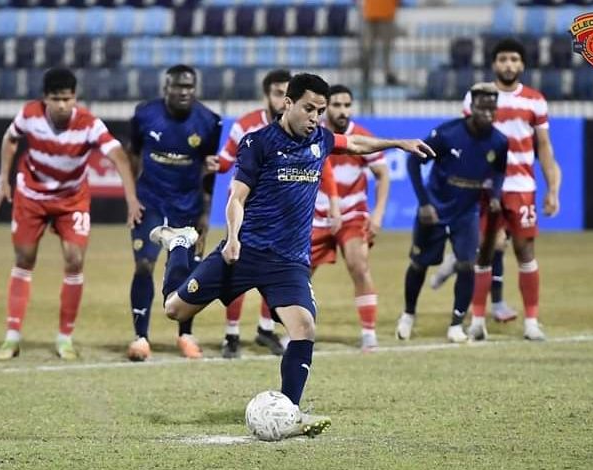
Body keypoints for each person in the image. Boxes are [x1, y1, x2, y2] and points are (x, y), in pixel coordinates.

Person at [162, 73, 433, 438]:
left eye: (320, 110)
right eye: (309, 109)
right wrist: (233, 238)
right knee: (174, 310)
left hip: (288, 261)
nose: (315, 118)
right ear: (287, 103)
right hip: (245, 251)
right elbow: (237, 197)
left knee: (303, 326)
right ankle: (179, 243)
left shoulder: (319, 138)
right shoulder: (258, 142)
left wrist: (398, 143)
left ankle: (289, 412)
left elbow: (355, 143)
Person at [0, 67, 142, 360]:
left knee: (74, 260)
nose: (62, 105)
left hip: (71, 200)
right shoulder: (30, 114)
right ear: (45, 98)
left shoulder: (89, 124)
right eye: (56, 99)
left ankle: (65, 338)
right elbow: (10, 139)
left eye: (68, 99)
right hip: (31, 195)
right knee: (24, 259)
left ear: (75, 98)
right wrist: (3, 180)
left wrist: (131, 198)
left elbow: (118, 157)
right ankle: (12, 337)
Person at [214, 69, 341, 359]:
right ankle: (232, 334)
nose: (281, 98)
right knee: (237, 268)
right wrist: (211, 164)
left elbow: (323, 165)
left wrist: (334, 200)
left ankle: (266, 328)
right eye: (276, 93)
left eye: (285, 92)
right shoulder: (247, 126)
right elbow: (225, 160)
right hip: (248, 210)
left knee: (277, 271)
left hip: (283, 216)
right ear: (270, 96)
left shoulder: (304, 129)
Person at [395, 83, 508, 343]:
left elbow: (499, 171)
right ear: (471, 107)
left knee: (467, 264)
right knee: (419, 264)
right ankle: (408, 315)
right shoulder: (448, 134)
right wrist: (424, 203)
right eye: (482, 107)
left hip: (466, 213)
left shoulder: (500, 141)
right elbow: (414, 161)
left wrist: (494, 196)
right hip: (435, 210)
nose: (487, 113)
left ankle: (456, 324)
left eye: (492, 108)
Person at [466, 38, 561, 342]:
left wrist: (552, 189)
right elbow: (468, 142)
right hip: (487, 188)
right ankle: (477, 321)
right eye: (503, 59)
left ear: (522, 64)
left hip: (521, 187)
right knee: (483, 252)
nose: (509, 65)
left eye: (514, 59)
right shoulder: (476, 97)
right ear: (494, 64)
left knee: (525, 251)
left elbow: (544, 146)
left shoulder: (535, 100)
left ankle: (531, 322)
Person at [125, 65, 222, 361]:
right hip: (150, 203)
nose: (183, 92)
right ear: (166, 88)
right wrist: (132, 197)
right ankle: (141, 338)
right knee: (144, 265)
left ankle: (185, 335)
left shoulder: (209, 122)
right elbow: (132, 154)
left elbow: (211, 169)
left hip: (188, 207)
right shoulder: (145, 114)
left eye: (189, 87)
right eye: (178, 86)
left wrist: (205, 211)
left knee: (187, 271)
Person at [311, 84, 390, 352]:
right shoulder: (315, 134)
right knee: (298, 273)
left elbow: (383, 174)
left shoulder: (362, 137)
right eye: (336, 105)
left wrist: (377, 214)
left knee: (359, 265)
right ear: (325, 108)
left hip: (353, 214)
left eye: (347, 105)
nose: (343, 111)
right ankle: (292, 331)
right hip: (317, 215)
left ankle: (368, 333)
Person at [360, 0, 400, 86]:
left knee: (386, 48)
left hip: (385, 13)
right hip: (372, 14)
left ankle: (387, 73)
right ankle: (366, 73)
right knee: (368, 48)